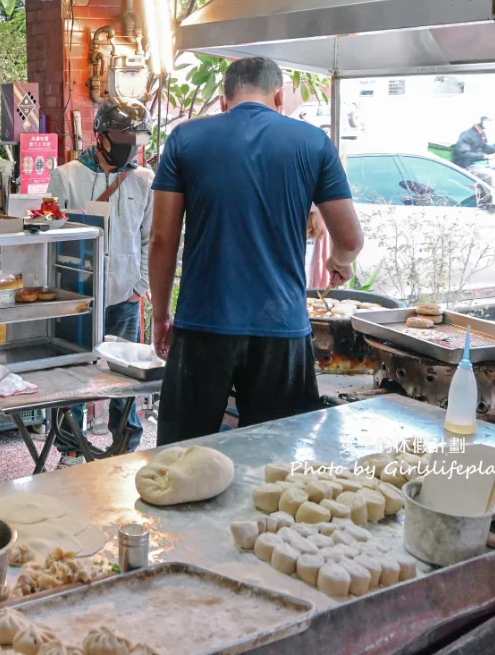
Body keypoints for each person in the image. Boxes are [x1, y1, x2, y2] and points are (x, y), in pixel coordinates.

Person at [149, 56, 364, 444]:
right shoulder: (314, 143)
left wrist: (161, 316)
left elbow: (163, 240)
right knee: (277, 465)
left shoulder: (185, 138)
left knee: (180, 457)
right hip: (281, 329)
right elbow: (350, 240)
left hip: (202, 325)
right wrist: (340, 262)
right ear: (280, 96)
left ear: (223, 101)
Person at [48, 101, 153, 467]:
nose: (130, 143)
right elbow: (52, 234)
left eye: (135, 136)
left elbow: (149, 237)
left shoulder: (144, 180)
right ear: (102, 136)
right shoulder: (67, 175)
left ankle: (124, 447)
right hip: (78, 296)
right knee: (72, 376)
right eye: (123, 135)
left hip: (125, 295)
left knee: (127, 379)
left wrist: (140, 285)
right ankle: (70, 450)